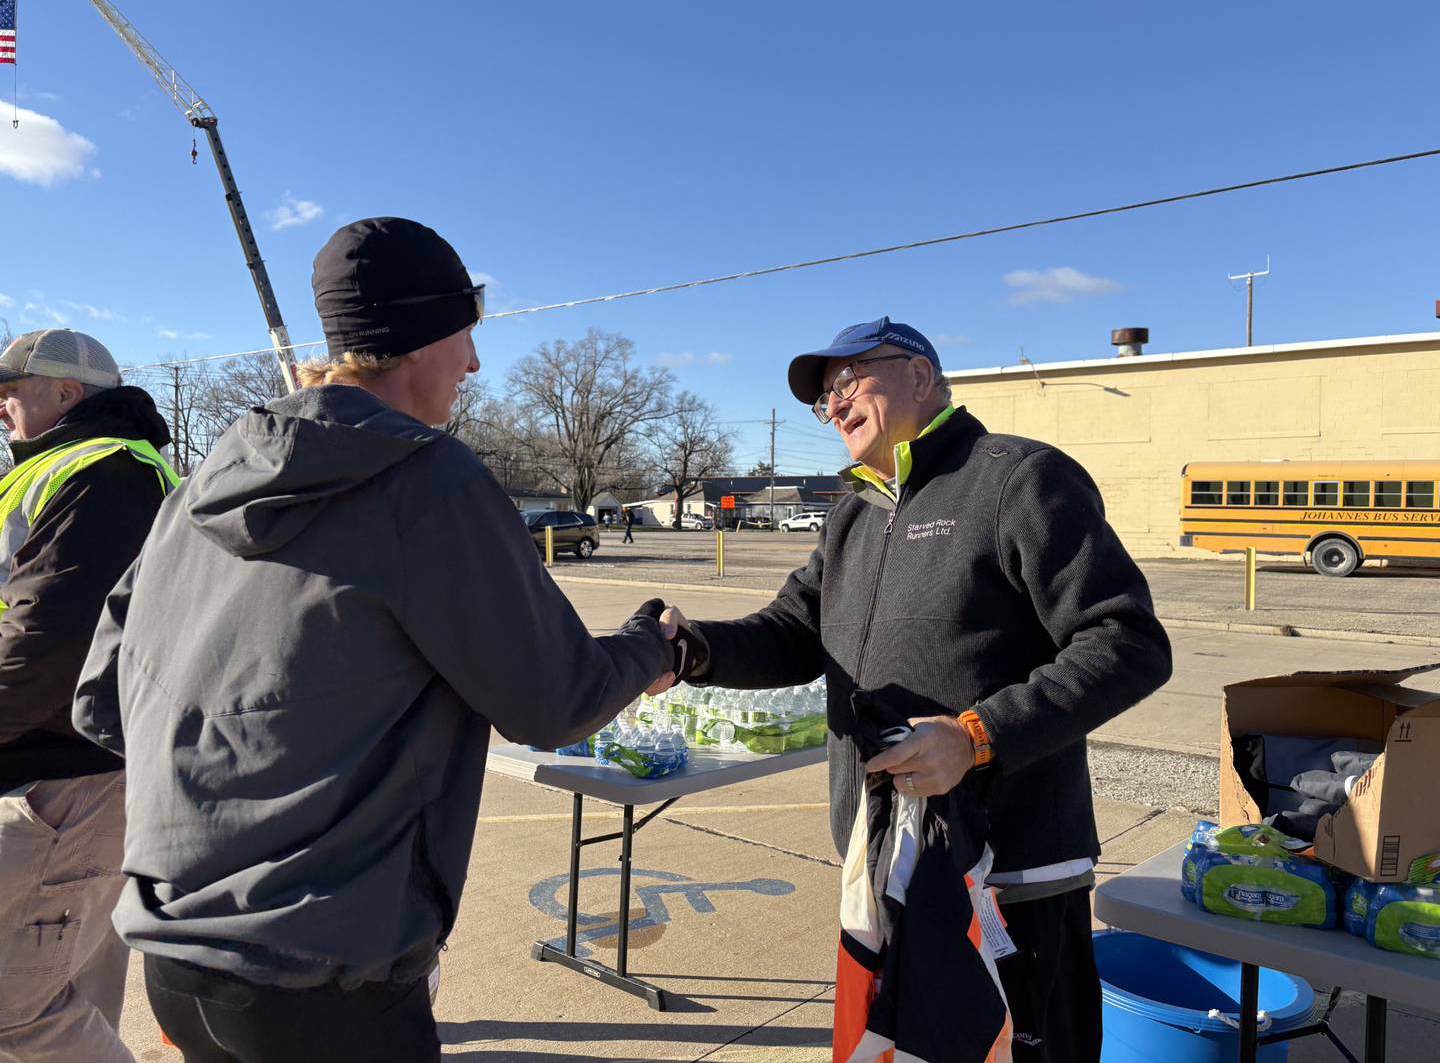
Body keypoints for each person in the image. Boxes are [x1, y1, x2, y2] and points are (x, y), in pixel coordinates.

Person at [73, 218, 673, 1063]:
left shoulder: (198, 487)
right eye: (466, 335)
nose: (472, 363)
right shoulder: (427, 478)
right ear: (423, 338)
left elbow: (101, 704)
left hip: (174, 956)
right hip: (321, 980)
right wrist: (654, 646)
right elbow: (557, 699)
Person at [650, 317, 1172, 1063]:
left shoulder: (1017, 478)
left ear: (920, 377)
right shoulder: (854, 513)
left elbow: (1127, 642)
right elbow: (794, 632)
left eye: (847, 382)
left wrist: (976, 736)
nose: (832, 405)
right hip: (889, 864)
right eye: (823, 396)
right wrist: (690, 648)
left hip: (1009, 868)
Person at [0, 329, 179, 1063]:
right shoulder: (68, 468)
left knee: (18, 1014)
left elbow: (49, 638)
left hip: (67, 772)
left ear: (66, 392)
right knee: (73, 986)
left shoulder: (107, 471)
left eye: (9, 389)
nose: (0, 404)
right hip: (80, 765)